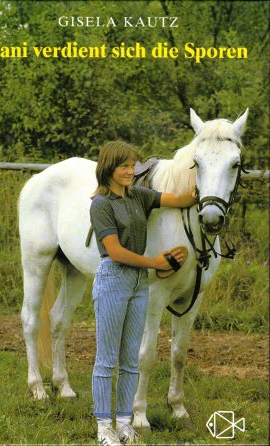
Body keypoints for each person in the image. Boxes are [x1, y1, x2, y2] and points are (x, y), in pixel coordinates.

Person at [90, 141, 196, 446]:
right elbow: (115, 252)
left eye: (133, 165)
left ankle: (124, 423)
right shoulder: (101, 205)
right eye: (123, 165)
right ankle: (103, 428)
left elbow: (180, 199)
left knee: (130, 361)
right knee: (106, 360)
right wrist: (156, 263)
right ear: (108, 168)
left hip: (139, 284)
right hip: (114, 280)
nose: (130, 171)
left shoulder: (140, 196)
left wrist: (206, 188)